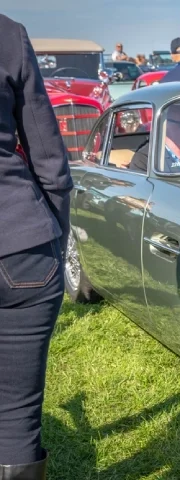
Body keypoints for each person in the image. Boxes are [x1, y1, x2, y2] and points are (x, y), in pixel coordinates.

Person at [0, 13, 73, 479]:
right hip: (23, 242)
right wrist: (56, 237)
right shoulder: (7, 33)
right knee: (17, 415)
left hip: (23, 243)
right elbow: (49, 156)